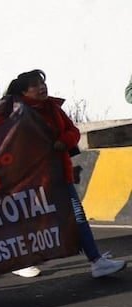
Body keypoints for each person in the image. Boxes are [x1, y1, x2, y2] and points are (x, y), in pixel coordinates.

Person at [7, 69, 124, 278]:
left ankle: (97, 261)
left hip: (60, 175)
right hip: (33, 180)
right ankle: (20, 261)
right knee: (31, 220)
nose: (41, 87)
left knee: (78, 217)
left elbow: (73, 131)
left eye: (42, 82)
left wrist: (64, 142)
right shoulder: (18, 113)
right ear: (24, 91)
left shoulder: (53, 108)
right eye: (35, 84)